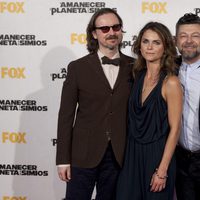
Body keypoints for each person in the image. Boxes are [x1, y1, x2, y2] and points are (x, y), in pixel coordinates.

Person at [56, 8, 134, 200]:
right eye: (105, 28)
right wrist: (63, 159)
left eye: (116, 27)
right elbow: (65, 116)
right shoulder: (77, 68)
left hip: (118, 156)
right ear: (94, 33)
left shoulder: (135, 68)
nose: (111, 32)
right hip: (83, 154)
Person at [116, 22, 183, 200]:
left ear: (166, 47)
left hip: (158, 156)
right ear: (140, 45)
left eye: (156, 42)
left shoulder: (171, 82)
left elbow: (175, 129)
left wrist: (162, 171)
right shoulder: (136, 75)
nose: (150, 47)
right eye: (146, 41)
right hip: (132, 155)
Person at [175, 13, 200, 200]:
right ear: (176, 41)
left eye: (196, 36)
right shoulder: (168, 69)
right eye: (183, 36)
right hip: (181, 160)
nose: (189, 41)